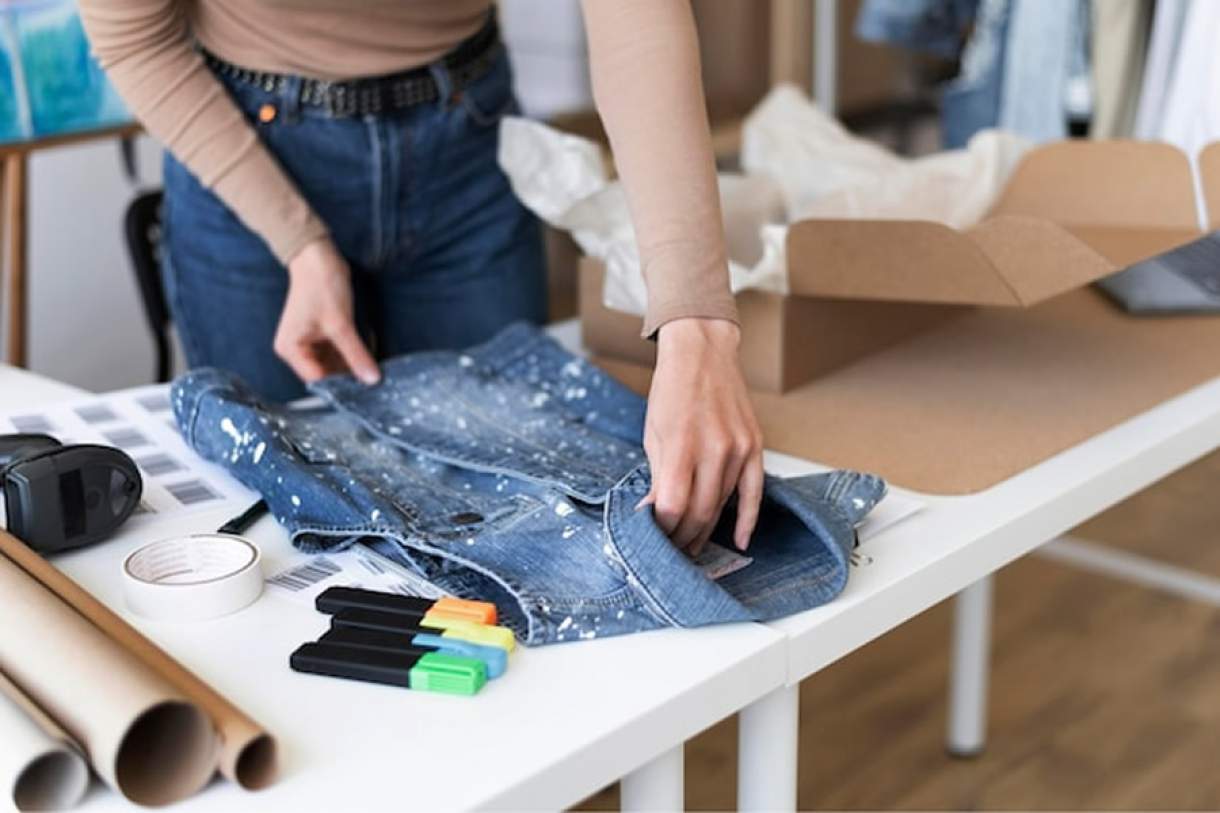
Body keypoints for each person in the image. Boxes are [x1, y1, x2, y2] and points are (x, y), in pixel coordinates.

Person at [80, 0, 764, 555]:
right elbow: (135, 37)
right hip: (246, 150)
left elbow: (637, 22)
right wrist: (298, 242)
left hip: (462, 137)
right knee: (278, 528)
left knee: (523, 513)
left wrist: (696, 322)